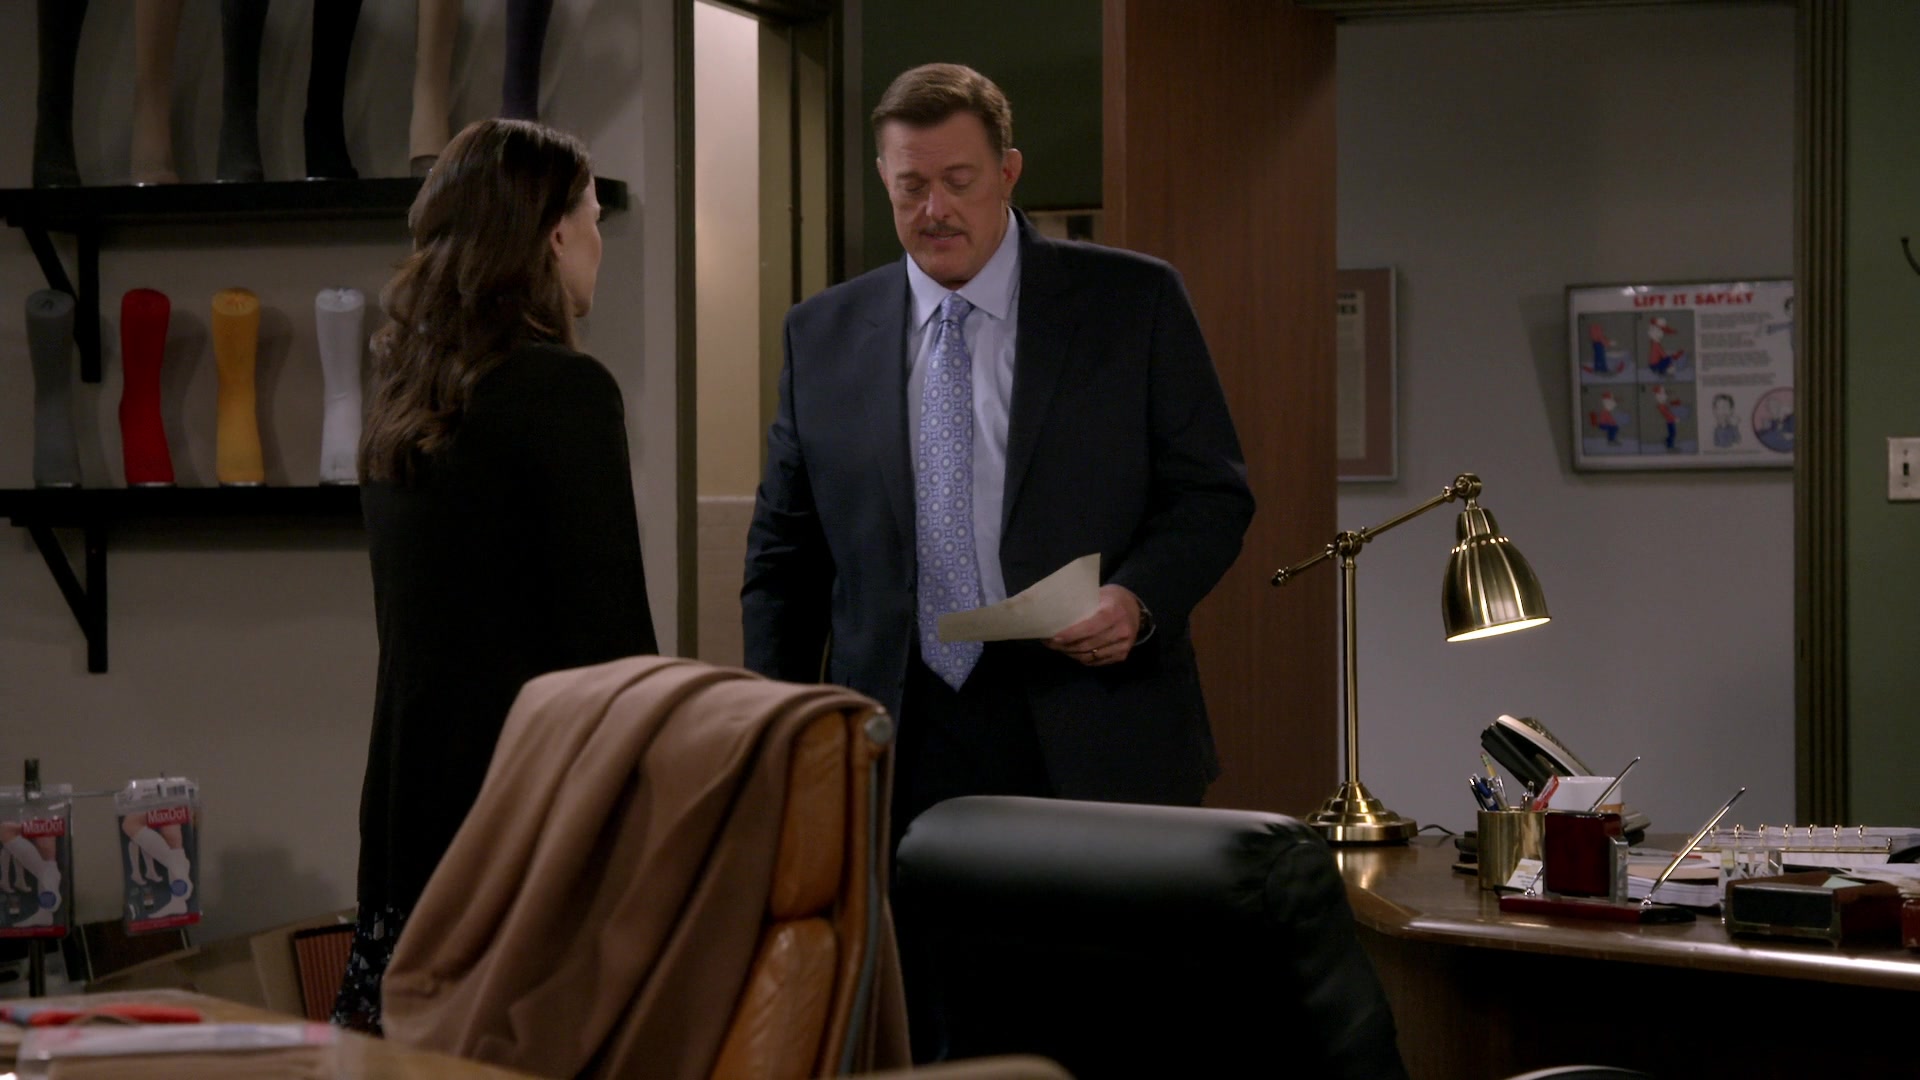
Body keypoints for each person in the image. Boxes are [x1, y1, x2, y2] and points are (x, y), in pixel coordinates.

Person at [744, 58, 1251, 890]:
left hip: (1091, 730)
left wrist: (1137, 599)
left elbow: (1212, 494)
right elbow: (782, 561)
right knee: (913, 974)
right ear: (883, 179)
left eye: (958, 181)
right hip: (893, 742)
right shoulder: (821, 333)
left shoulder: (1132, 302)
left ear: (1008, 172)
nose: (934, 210)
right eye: (911, 187)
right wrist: (779, 737)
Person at [333, 118, 658, 1034]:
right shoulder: (564, 392)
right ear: (554, 233)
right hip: (527, 817)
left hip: (409, 809)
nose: (598, 241)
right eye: (592, 218)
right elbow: (612, 652)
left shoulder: (404, 394)